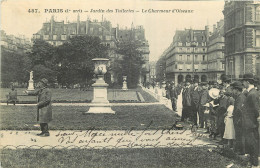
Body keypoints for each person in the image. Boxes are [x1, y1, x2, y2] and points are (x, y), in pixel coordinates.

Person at [241, 73, 260, 167]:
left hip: (251, 123)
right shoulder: (251, 92)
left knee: (253, 143)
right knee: (251, 142)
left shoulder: (252, 94)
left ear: (247, 82)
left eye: (243, 82)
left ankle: (254, 163)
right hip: (249, 122)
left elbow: (256, 109)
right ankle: (252, 161)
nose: (243, 84)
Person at [231, 81, 246, 155]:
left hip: (239, 120)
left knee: (240, 135)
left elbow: (238, 110)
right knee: (240, 135)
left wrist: (236, 118)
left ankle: (241, 151)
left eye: (233, 89)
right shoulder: (241, 96)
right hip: (239, 119)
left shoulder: (240, 97)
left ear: (236, 89)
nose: (232, 91)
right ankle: (240, 150)